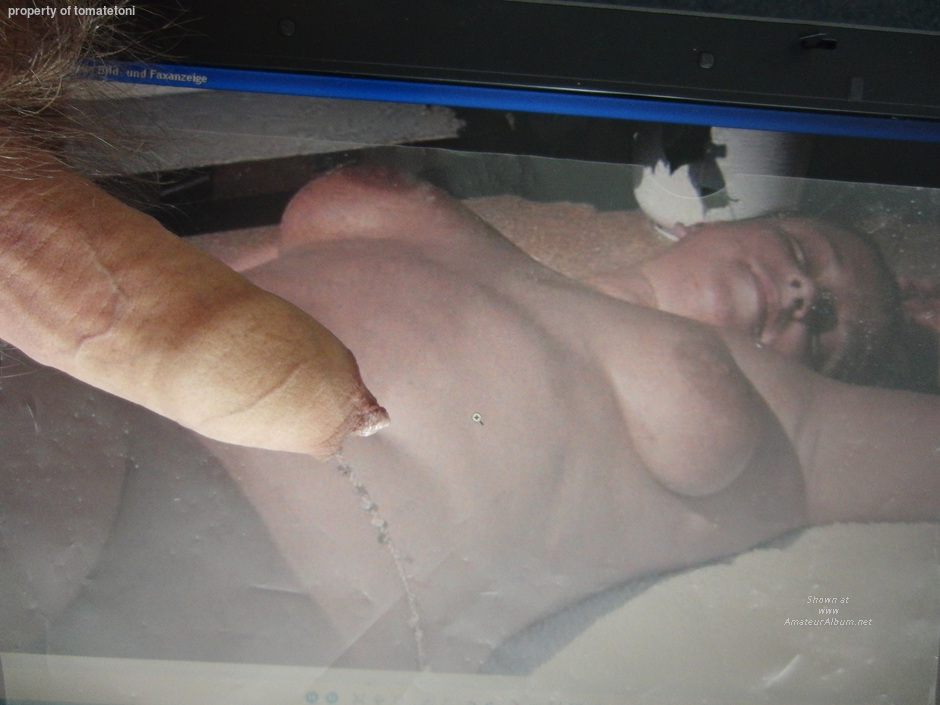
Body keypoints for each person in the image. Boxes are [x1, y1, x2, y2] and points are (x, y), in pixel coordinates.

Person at [3, 164, 937, 674]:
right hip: (88, 403)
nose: (805, 292)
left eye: (831, 327)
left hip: (199, 611)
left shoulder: (758, 408)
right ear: (710, 220)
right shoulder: (440, 230)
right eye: (805, 250)